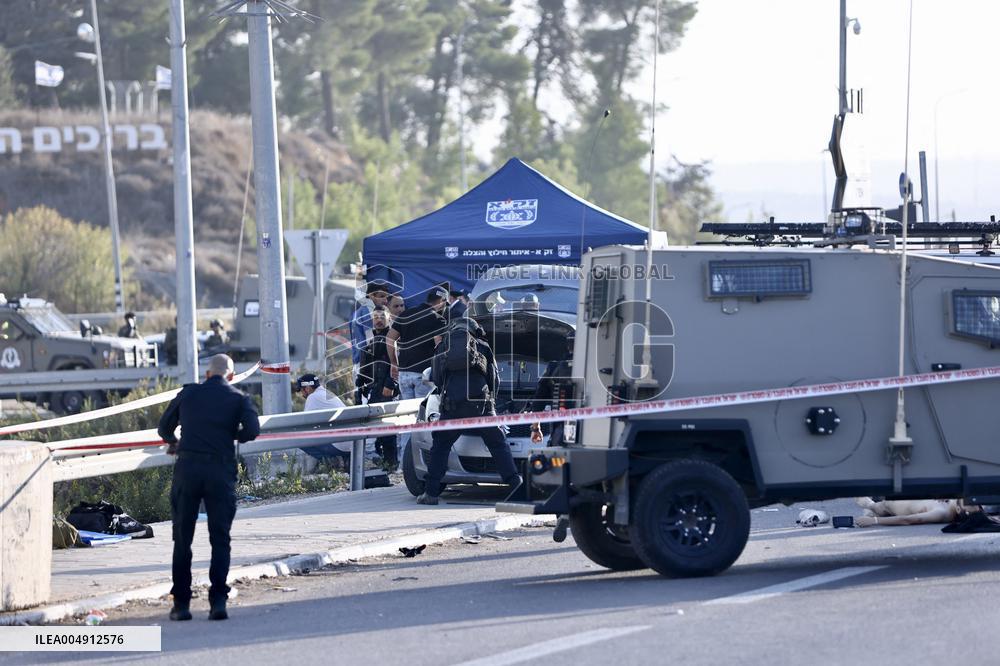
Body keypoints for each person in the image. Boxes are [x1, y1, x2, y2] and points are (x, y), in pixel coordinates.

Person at [157, 354, 260, 622]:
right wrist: (228, 435)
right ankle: (218, 603)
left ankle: (181, 605)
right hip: (220, 472)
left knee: (182, 539)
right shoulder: (238, 398)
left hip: (188, 469)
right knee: (220, 539)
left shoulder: (188, 394)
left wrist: (175, 440)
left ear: (207, 374)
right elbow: (252, 430)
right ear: (231, 376)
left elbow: (164, 427)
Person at [416, 318, 522, 505]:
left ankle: (431, 494)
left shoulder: (443, 347)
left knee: (440, 447)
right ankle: (515, 488)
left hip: (452, 406)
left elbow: (437, 379)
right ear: (475, 330)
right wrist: (491, 401)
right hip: (482, 406)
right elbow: (494, 379)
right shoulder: (483, 346)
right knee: (498, 445)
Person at [387, 288, 448, 455]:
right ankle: (417, 458)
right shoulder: (437, 319)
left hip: (404, 373)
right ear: (440, 302)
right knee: (422, 418)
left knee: (406, 418)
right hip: (424, 375)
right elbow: (438, 345)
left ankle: (403, 461)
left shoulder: (406, 315)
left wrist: (394, 363)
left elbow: (390, 339)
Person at [357, 306, 399, 468]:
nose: (379, 320)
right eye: (375, 317)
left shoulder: (393, 338)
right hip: (373, 389)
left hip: (387, 389)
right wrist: (360, 385)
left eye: (382, 316)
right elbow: (365, 364)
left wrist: (391, 384)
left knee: (387, 427)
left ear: (389, 318)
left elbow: (396, 363)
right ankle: (381, 461)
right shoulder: (371, 338)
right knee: (375, 428)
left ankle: (391, 463)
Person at [528, 331, 574, 446]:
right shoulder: (599, 370)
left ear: (568, 346)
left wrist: (535, 428)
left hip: (563, 429)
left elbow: (538, 400)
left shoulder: (555, 368)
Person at [295, 373, 350, 464]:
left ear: (307, 388)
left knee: (299, 439)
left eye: (302, 390)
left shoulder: (313, 397)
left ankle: (332, 461)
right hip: (351, 441)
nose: (302, 394)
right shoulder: (326, 393)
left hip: (340, 445)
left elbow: (305, 425)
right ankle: (341, 460)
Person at [350, 282, 389, 377]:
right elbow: (370, 339)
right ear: (371, 296)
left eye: (386, 297)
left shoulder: (357, 312)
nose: (385, 300)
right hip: (367, 363)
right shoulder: (369, 311)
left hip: (358, 360)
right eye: (382, 296)